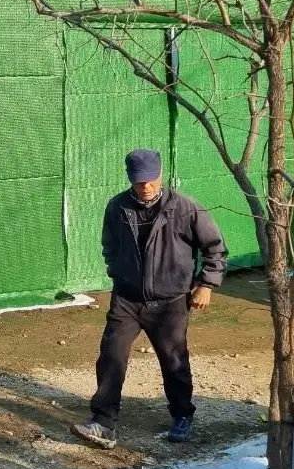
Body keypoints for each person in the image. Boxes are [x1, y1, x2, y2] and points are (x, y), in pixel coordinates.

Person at [72, 149, 227, 449]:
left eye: (151, 180)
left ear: (161, 175)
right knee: (111, 355)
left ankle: (182, 415)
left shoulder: (185, 208)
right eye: (139, 181)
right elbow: (110, 244)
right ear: (130, 179)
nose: (146, 186)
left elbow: (215, 249)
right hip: (127, 299)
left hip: (170, 301)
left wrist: (206, 284)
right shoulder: (117, 207)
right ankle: (103, 423)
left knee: (174, 360)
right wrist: (118, 271)